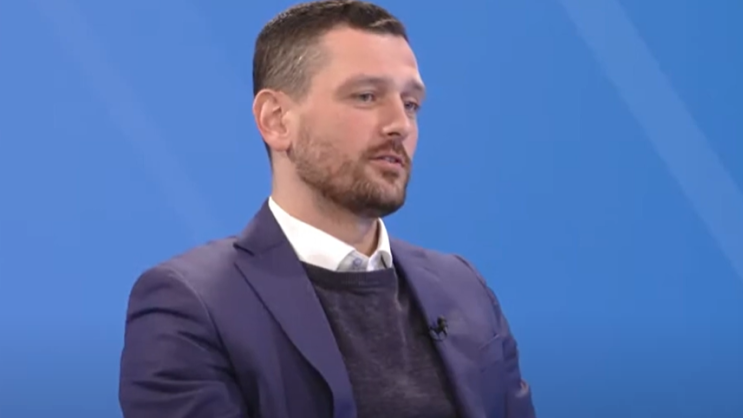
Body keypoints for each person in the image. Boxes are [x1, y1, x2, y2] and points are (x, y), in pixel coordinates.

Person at [118, 1, 536, 417]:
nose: (400, 124)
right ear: (277, 120)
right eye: (366, 96)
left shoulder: (465, 290)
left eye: (411, 104)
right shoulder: (191, 307)